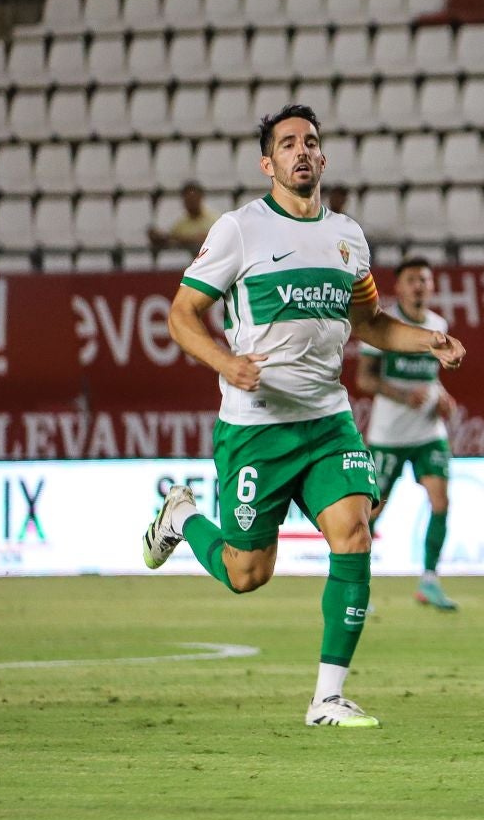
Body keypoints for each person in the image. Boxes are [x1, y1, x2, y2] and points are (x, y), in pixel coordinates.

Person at [140, 105, 467, 728]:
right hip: (256, 426)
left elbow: (369, 324)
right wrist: (225, 362)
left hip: (326, 419)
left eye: (311, 142)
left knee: (354, 530)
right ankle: (181, 515)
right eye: (288, 144)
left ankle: (328, 697)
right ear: (269, 164)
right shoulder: (240, 231)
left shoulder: (347, 237)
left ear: (323, 158)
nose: (302, 152)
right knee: (247, 573)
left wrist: (428, 341)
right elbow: (182, 315)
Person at [355, 257, 459, 613]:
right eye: (412, 279)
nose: (419, 286)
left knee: (441, 500)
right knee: (372, 512)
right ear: (398, 287)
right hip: (389, 434)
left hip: (428, 430)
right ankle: (356, 582)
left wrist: (442, 397)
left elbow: (431, 376)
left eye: (425, 280)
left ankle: (429, 580)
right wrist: (403, 396)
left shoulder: (437, 325)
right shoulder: (383, 324)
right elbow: (364, 378)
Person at [150, 181, 218, 250]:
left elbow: (206, 239)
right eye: (188, 199)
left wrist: (182, 239)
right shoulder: (180, 224)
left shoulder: (214, 219)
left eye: (194, 198)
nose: (191, 202)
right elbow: (172, 240)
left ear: (201, 198)